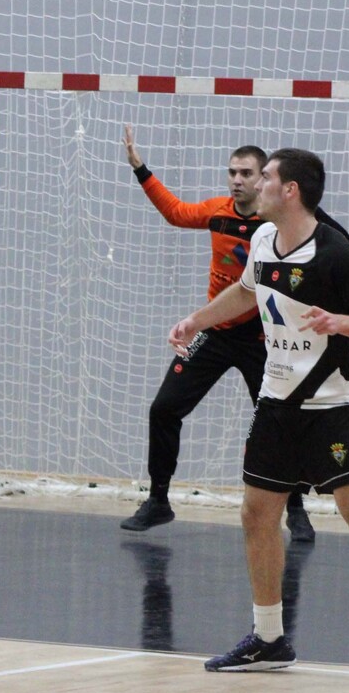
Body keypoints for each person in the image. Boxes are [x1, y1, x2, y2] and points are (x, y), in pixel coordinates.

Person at [169, 148, 349, 671]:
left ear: (290, 190)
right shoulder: (264, 239)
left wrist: (342, 323)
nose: (254, 183)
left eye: (265, 176)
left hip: (335, 404)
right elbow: (247, 292)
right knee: (257, 514)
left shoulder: (336, 253)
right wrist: (196, 321)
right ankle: (269, 639)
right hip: (277, 402)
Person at [121, 127, 321, 541]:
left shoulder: (277, 223)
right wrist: (141, 169)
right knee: (163, 408)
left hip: (262, 339)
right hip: (215, 332)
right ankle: (158, 500)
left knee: (283, 419)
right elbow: (175, 212)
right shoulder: (217, 211)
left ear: (264, 179)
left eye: (246, 173)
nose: (237, 180)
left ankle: (297, 508)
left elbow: (319, 232)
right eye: (232, 172)